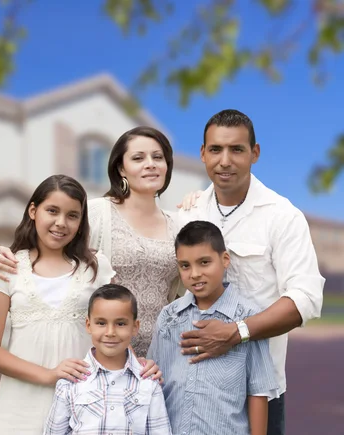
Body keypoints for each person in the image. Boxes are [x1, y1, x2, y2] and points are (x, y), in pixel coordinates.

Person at [175, 109, 325, 435]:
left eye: (237, 149)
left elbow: (305, 299)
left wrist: (236, 332)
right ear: (202, 154)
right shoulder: (187, 212)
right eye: (215, 149)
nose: (224, 160)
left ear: (254, 153)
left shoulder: (282, 216)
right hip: (193, 385)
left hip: (258, 389)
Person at [0, 126, 184, 360]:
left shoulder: (179, 225)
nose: (150, 164)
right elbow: (51, 245)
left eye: (157, 157)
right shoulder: (97, 212)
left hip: (160, 355)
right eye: (138, 158)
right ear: (121, 168)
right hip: (99, 356)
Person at [0, 174, 116, 434]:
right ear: (33, 210)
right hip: (20, 409)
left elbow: (116, 332)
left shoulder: (97, 268)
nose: (61, 223)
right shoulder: (7, 267)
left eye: (72, 215)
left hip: (82, 406)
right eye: (52, 211)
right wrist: (48, 374)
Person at [147, 220, 278, 435]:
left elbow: (258, 391)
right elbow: (154, 382)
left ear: (225, 260)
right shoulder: (169, 317)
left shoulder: (248, 318)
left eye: (204, 262)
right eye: (185, 265)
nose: (195, 273)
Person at [43, 284, 172, 435]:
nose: (110, 332)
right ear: (88, 325)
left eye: (120, 324)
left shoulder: (148, 383)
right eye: (101, 323)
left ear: (135, 327)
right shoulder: (70, 382)